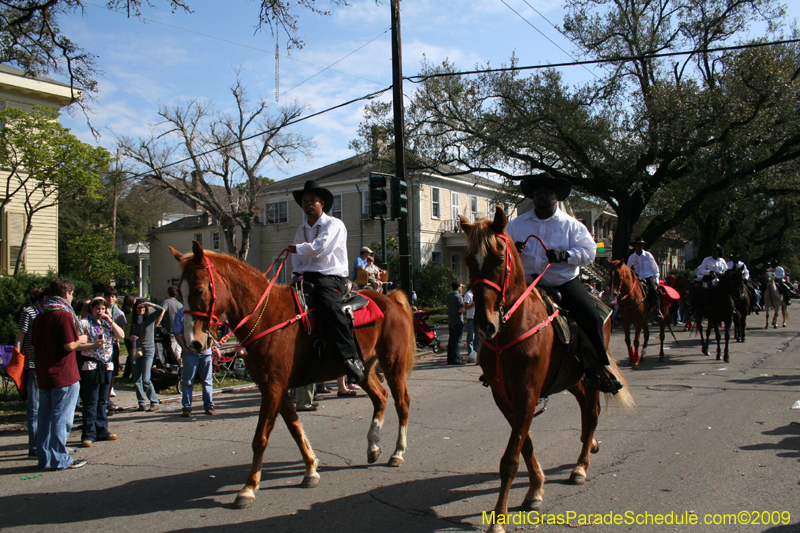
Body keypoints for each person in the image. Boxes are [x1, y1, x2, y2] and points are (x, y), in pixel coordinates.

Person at [507, 172, 622, 393]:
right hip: (526, 285)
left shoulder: (572, 225)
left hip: (563, 282)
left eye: (547, 192)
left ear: (556, 197)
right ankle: (492, 364)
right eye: (538, 193)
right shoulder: (516, 225)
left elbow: (590, 251)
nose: (542, 196)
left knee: (590, 317)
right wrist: (514, 250)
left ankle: (597, 371)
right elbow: (502, 249)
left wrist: (566, 256)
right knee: (495, 313)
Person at [288, 179, 365, 385]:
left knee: (330, 306)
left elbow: (320, 247)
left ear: (322, 203)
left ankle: (350, 358)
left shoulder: (334, 224)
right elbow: (297, 259)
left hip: (331, 277)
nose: (308, 203)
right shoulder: (300, 229)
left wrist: (297, 248)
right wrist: (296, 273)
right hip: (305, 277)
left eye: (313, 199)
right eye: (305, 200)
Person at [31, 278, 89, 470]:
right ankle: (60, 458)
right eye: (72, 294)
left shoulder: (41, 316)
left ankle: (44, 457)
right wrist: (82, 337)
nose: (72, 298)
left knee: (45, 417)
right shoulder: (63, 315)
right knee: (61, 417)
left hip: (44, 373)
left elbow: (33, 344)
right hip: (64, 373)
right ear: (66, 294)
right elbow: (69, 345)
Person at [78, 297, 124, 447]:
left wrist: (110, 320)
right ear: (91, 309)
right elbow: (77, 344)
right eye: (97, 309)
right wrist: (93, 344)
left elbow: (121, 335)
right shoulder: (84, 323)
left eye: (103, 309)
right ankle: (89, 433)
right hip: (91, 364)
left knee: (103, 400)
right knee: (91, 400)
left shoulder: (106, 323)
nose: (100, 311)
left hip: (106, 364)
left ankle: (102, 429)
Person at [14, 287, 48, 458]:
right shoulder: (29, 312)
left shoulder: (48, 311)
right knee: (34, 407)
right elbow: (20, 336)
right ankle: (34, 445)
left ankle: (43, 443)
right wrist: (18, 358)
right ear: (45, 297)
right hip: (33, 364)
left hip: (47, 364)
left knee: (45, 406)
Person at [172, 307, 215, 416]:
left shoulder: (205, 311)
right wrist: (184, 347)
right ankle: (187, 407)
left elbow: (213, 328)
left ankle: (209, 405)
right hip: (190, 352)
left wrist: (212, 342)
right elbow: (177, 332)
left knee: (207, 380)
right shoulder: (182, 312)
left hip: (206, 352)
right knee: (187, 381)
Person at [130, 298, 166, 411]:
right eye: (138, 307)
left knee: (146, 378)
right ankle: (141, 402)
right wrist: (131, 338)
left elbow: (161, 310)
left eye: (142, 307)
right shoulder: (134, 320)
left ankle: (154, 401)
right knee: (137, 379)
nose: (140, 309)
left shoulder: (150, 318)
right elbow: (130, 334)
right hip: (136, 350)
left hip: (148, 349)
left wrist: (150, 304)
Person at [627, 236, 663, 321]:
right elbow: (628, 271)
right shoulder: (631, 258)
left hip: (647, 277)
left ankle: (657, 310)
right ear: (635, 246)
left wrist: (656, 280)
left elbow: (655, 269)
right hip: (637, 278)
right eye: (638, 245)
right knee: (625, 291)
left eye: (641, 245)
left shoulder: (648, 256)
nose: (639, 246)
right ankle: (621, 311)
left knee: (653, 290)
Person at [103, 287, 127, 410]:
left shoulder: (119, 313)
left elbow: (121, 330)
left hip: (113, 343)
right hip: (101, 345)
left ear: (116, 298)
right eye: (108, 296)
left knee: (112, 371)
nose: (110, 298)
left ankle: (107, 396)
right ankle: (103, 397)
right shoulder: (100, 309)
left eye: (113, 296)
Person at [162, 286, 183, 361]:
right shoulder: (180, 304)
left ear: (168, 293)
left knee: (172, 352)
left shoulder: (166, 302)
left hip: (171, 330)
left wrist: (157, 323)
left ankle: (174, 367)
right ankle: (179, 366)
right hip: (180, 331)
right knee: (178, 352)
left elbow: (162, 312)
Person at [446, 281, 466, 365]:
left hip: (451, 321)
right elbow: (462, 311)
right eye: (460, 287)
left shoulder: (448, 296)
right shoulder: (458, 297)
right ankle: (456, 359)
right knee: (457, 342)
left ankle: (450, 359)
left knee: (451, 341)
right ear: (458, 288)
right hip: (458, 321)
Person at [463, 283, 480, 355]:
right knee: (471, 337)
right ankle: (470, 352)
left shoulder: (476, 294)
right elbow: (466, 307)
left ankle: (476, 351)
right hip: (471, 318)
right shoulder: (468, 294)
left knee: (477, 337)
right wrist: (473, 303)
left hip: (477, 318)